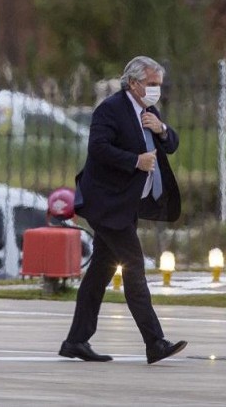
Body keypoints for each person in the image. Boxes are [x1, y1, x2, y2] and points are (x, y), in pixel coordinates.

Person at [60, 55, 186, 365]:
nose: (157, 89)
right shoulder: (111, 110)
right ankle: (154, 341)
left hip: (124, 205)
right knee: (133, 267)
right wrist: (135, 161)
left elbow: (171, 145)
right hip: (106, 204)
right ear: (133, 83)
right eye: (152, 84)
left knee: (100, 271)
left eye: (159, 84)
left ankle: (76, 340)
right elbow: (98, 148)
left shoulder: (147, 111)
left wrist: (162, 128)